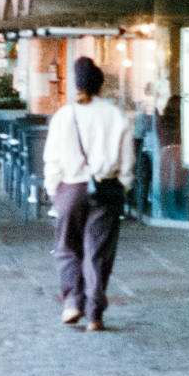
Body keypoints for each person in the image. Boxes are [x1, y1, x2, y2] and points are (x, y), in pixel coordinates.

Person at [43, 55, 134, 331]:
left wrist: (53, 191)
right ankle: (94, 314)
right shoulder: (116, 115)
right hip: (105, 189)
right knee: (98, 253)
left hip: (70, 188)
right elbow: (127, 162)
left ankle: (72, 303)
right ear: (100, 85)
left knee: (66, 248)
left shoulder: (64, 116)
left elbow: (52, 159)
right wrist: (123, 186)